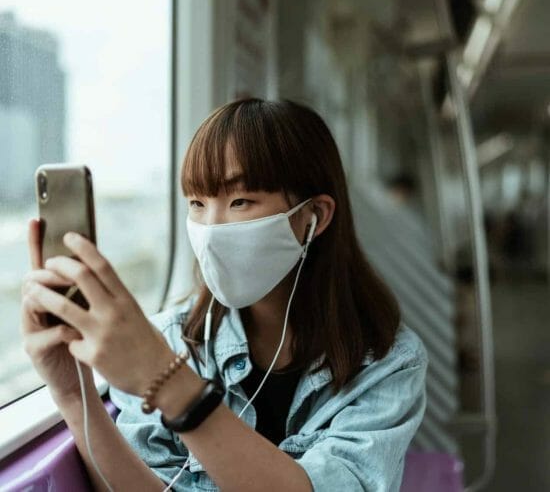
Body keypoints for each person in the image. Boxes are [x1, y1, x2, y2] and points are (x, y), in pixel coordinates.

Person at [21, 98, 428, 491]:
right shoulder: (170, 338)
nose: (211, 230)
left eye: (239, 201)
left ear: (313, 217)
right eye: (197, 203)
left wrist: (165, 380)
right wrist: (73, 393)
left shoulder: (389, 363)